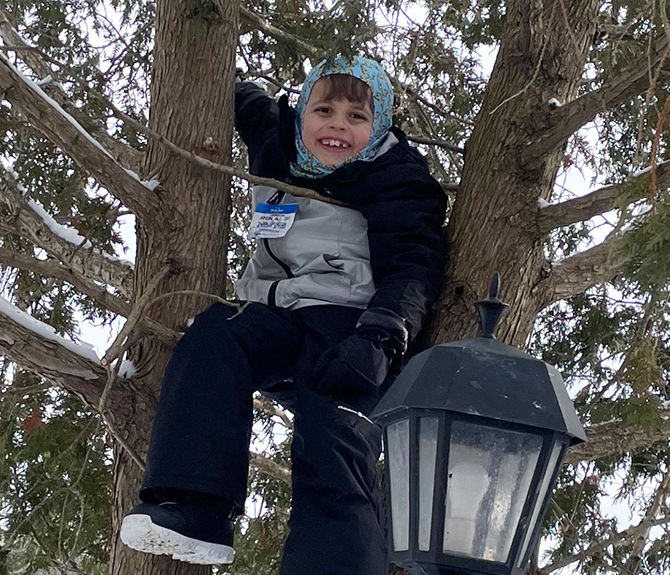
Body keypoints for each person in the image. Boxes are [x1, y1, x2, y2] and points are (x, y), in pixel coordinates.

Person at [119, 56, 448, 575]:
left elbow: (413, 265)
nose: (337, 125)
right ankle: (196, 508)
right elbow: (249, 106)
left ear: (379, 124)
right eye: (324, 110)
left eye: (357, 117)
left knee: (331, 440)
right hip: (277, 317)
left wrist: (383, 338)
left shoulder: (395, 176)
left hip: (351, 329)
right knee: (215, 336)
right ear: (301, 114)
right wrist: (223, 79)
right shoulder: (279, 145)